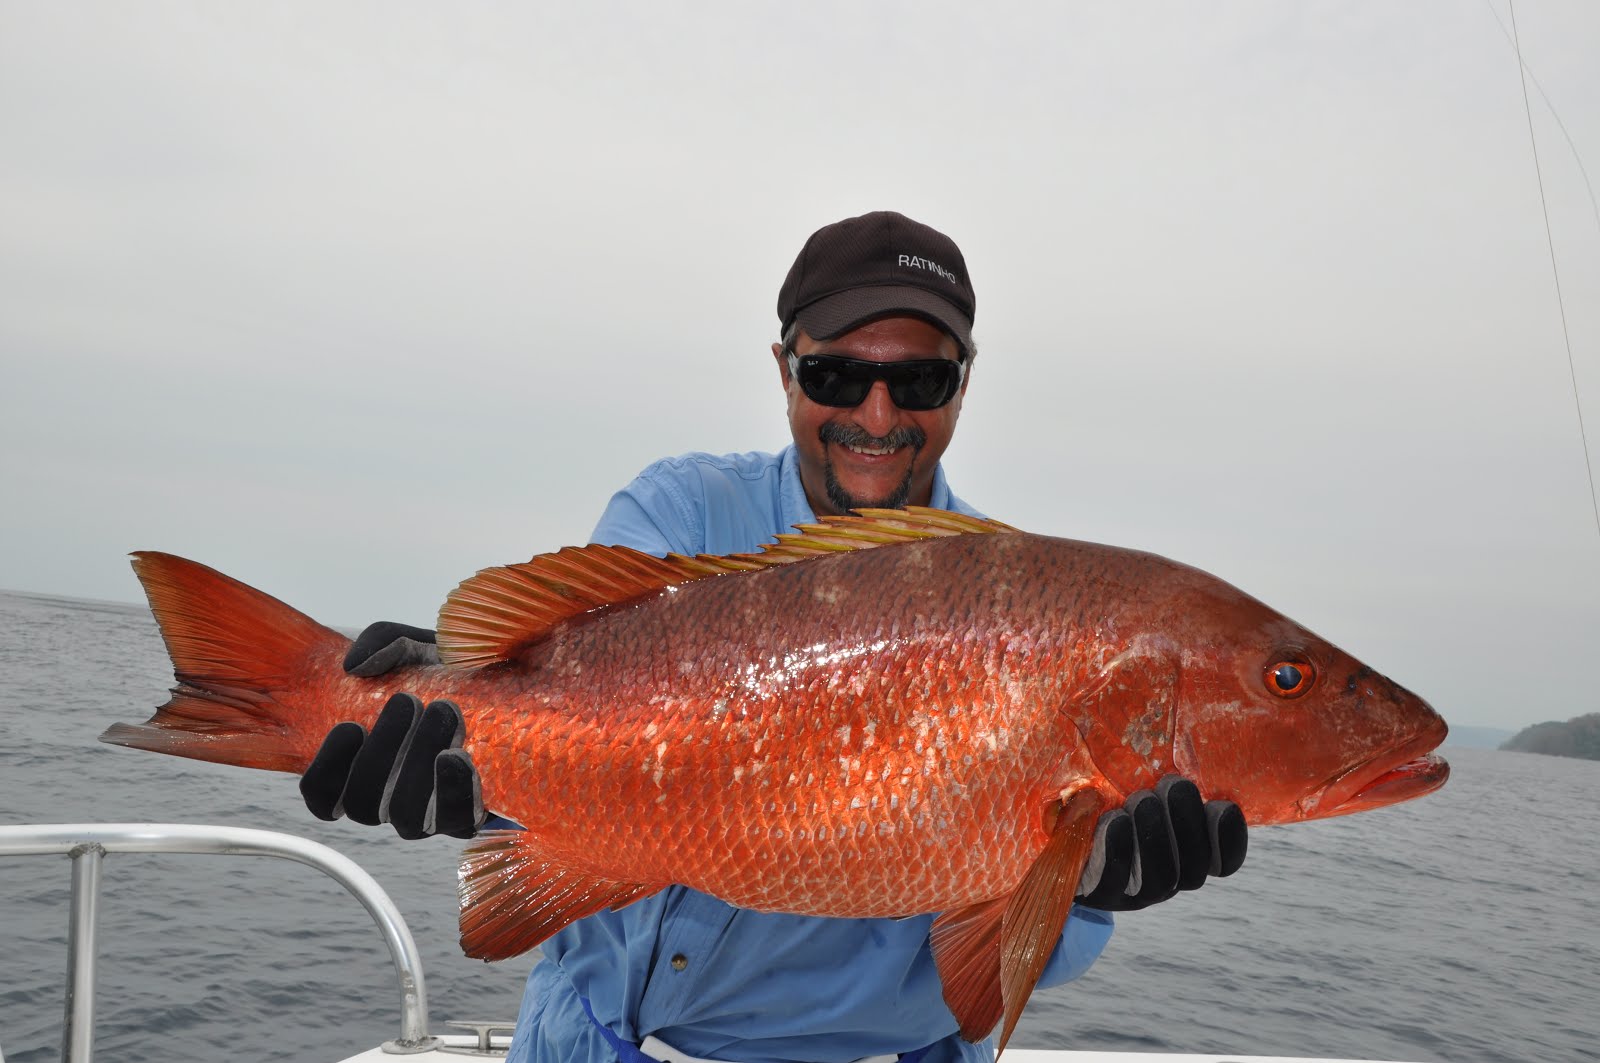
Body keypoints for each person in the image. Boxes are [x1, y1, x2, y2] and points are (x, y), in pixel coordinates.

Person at [302, 211, 1249, 1063]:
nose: (877, 418)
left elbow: (985, 978)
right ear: (784, 368)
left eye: (918, 378)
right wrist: (447, 707)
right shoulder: (681, 508)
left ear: (962, 386)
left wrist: (1085, 885)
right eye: (837, 374)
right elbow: (572, 693)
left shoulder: (1031, 605)